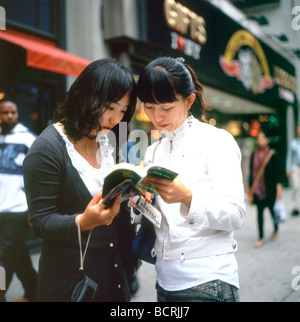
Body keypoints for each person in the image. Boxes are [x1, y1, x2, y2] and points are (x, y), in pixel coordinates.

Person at [132, 56, 246, 302]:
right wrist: (141, 204)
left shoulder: (217, 141)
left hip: (208, 281)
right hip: (164, 281)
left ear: (189, 100)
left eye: (166, 108)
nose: (156, 117)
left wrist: (188, 198)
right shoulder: (154, 151)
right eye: (149, 107)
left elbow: (236, 215)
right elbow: (160, 221)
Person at [22, 58, 137, 302]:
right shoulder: (47, 148)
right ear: (85, 97)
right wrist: (84, 221)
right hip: (71, 286)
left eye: (123, 111)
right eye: (109, 107)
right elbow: (41, 222)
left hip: (114, 280)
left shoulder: (106, 142)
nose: (115, 119)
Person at [0, 99, 37, 302]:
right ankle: (35, 292)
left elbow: (39, 174)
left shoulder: (27, 138)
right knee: (18, 254)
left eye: (12, 112)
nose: (9, 116)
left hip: (17, 207)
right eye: (5, 113)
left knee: (4, 257)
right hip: (1, 208)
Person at [249, 130, 282, 248]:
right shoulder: (254, 154)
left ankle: (276, 228)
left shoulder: (273, 154)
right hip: (258, 190)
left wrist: (279, 189)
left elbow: (278, 173)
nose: (260, 141)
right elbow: (251, 173)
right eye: (259, 139)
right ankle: (261, 237)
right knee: (259, 213)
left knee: (272, 211)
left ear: (267, 140)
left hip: (270, 189)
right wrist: (250, 189)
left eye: (262, 138)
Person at [286, 124, 300, 216]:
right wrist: (287, 169)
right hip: (295, 167)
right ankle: (295, 206)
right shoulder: (293, 143)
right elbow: (289, 157)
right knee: (296, 186)